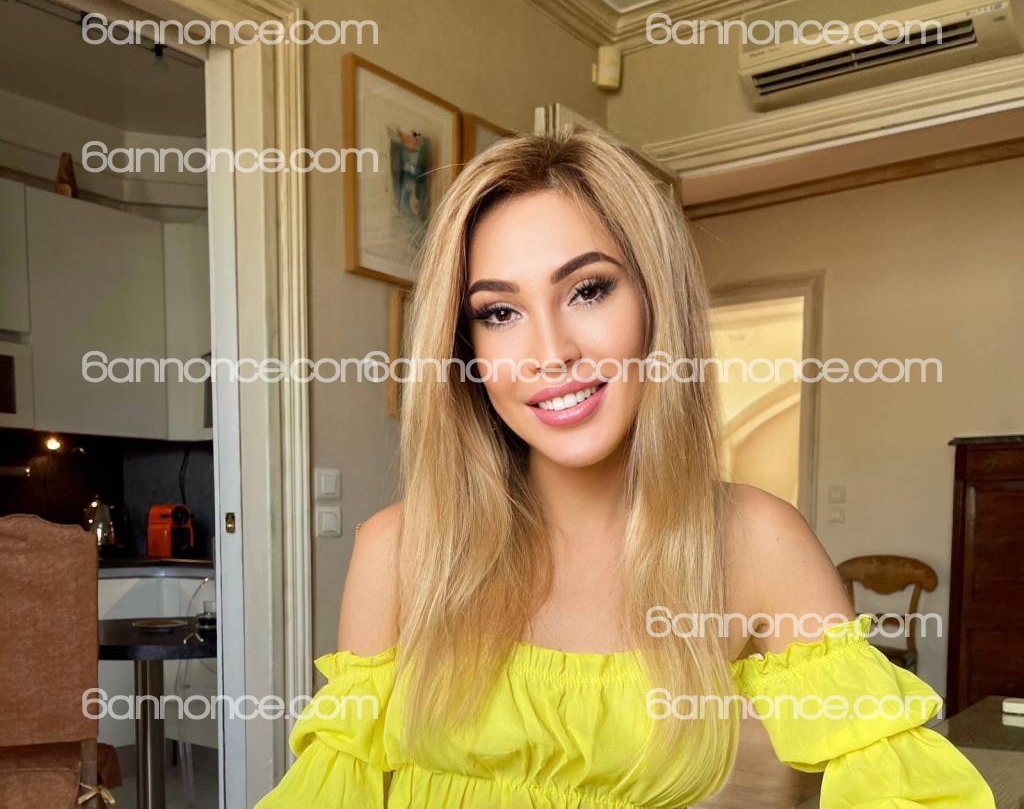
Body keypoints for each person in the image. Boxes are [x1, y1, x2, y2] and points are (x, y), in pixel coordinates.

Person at [256, 124, 993, 807]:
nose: (551, 353)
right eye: (499, 312)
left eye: (588, 289)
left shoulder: (755, 542)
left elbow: (895, 780)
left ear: (655, 304)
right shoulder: (399, 551)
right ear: (464, 348)